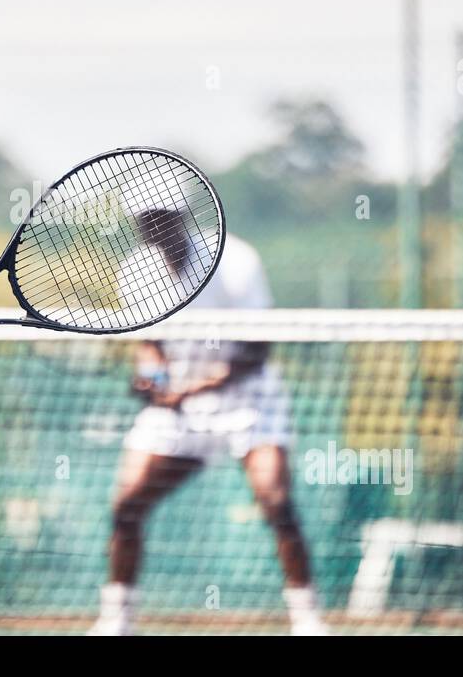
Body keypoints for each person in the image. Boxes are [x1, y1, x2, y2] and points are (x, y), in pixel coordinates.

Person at [91, 211, 327, 635]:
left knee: (276, 502)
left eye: (162, 218)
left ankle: (307, 620)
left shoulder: (236, 260)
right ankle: (116, 620)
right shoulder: (137, 268)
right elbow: (151, 345)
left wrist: (190, 388)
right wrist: (155, 378)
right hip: (180, 409)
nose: (154, 229)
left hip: (250, 401)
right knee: (127, 507)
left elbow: (256, 352)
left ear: (181, 217)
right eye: (146, 220)